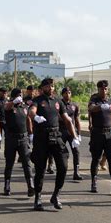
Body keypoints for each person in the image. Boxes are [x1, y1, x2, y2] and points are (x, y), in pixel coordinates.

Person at [28, 78, 80, 211]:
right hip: (41, 137)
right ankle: (38, 197)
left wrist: (74, 136)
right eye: (47, 86)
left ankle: (56, 195)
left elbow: (67, 119)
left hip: (56, 135)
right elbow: (31, 111)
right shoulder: (38, 100)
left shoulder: (58, 101)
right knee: (40, 169)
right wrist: (36, 117)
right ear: (42, 88)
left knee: (63, 166)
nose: (50, 88)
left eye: (52, 86)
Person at [88, 80, 111, 195]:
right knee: (96, 158)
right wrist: (101, 107)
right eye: (101, 89)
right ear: (98, 89)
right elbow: (91, 109)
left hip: (109, 133)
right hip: (97, 133)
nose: (104, 90)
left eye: (105, 89)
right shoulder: (94, 99)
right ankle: (94, 182)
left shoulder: (110, 101)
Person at [3, 88, 34, 196]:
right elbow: (6, 107)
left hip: (23, 139)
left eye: (21, 95)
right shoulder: (9, 106)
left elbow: (28, 119)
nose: (20, 97)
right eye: (19, 95)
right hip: (11, 138)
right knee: (9, 163)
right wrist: (13, 102)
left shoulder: (24, 107)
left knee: (27, 163)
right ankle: (7, 185)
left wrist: (31, 134)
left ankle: (30, 185)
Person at [60, 87, 83, 181]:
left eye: (69, 92)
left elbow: (77, 119)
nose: (67, 94)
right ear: (62, 94)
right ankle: (58, 168)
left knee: (76, 151)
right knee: (61, 152)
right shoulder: (59, 104)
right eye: (65, 93)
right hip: (61, 131)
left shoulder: (74, 105)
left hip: (72, 132)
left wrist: (79, 133)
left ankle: (76, 172)